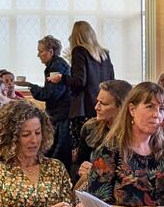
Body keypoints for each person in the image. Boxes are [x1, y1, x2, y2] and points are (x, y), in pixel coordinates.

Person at [48, 21, 115, 153]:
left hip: (83, 108)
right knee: (101, 148)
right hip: (103, 106)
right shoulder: (104, 54)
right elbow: (112, 81)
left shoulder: (79, 51)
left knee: (81, 151)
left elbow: (79, 81)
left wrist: (61, 78)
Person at [16, 35, 72, 170]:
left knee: (56, 154)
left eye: (40, 51)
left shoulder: (56, 66)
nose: (38, 55)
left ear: (51, 51)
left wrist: (30, 85)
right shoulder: (55, 65)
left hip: (61, 116)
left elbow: (51, 94)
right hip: (61, 114)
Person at [74, 79, 132, 185]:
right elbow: (77, 164)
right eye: (98, 101)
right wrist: (81, 169)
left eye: (103, 104)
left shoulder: (136, 133)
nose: (96, 107)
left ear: (122, 107)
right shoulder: (89, 127)